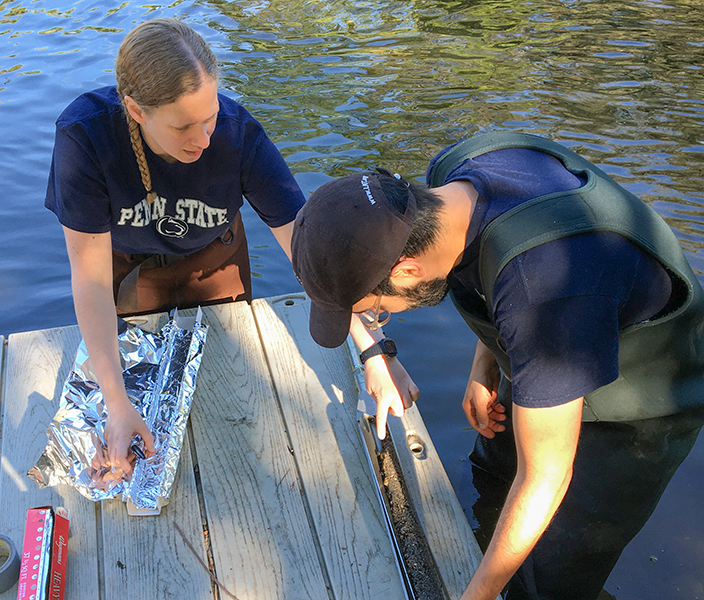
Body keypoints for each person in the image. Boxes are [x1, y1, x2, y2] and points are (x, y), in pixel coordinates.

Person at [290, 131, 704, 600]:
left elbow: (545, 475)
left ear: (405, 269)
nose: (378, 317)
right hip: (559, 332)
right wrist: (486, 362)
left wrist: (476, 597)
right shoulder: (449, 183)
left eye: (376, 310)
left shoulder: (542, 289)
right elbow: (498, 273)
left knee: (553, 573)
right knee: (493, 473)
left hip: (643, 395)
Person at [45, 18, 416, 480]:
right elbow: (91, 279)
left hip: (214, 263)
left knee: (229, 399)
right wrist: (117, 405)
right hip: (129, 272)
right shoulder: (85, 137)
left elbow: (308, 251)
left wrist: (375, 350)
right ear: (136, 111)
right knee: (141, 406)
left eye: (210, 117)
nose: (203, 140)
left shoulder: (240, 136)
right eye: (183, 126)